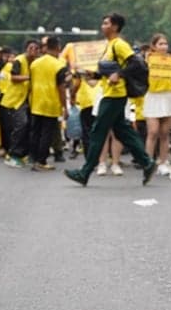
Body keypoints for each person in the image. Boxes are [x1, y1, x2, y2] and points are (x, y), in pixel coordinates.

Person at [63, 13, 156, 187]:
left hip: (114, 95)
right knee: (123, 131)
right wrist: (93, 74)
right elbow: (108, 70)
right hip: (110, 93)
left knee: (98, 131)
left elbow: (137, 64)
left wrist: (119, 74)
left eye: (106, 23)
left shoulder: (119, 44)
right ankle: (147, 163)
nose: (102, 26)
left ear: (115, 27)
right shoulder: (109, 45)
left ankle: (84, 172)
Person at [28, 36, 69, 171]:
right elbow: (61, 89)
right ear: (58, 47)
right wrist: (65, 107)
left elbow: (31, 83)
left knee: (35, 132)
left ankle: (33, 158)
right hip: (51, 103)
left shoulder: (35, 63)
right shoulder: (59, 65)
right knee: (47, 133)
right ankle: (42, 161)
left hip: (36, 102)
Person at [142, 34, 171, 176]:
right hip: (153, 96)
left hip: (168, 96)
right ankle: (148, 163)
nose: (164, 46)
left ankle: (163, 163)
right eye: (160, 44)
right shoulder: (148, 60)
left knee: (164, 133)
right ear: (153, 46)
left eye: (165, 44)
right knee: (153, 132)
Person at [1, 40, 40, 169]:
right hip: (15, 100)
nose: (33, 50)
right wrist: (29, 77)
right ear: (26, 49)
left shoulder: (36, 62)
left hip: (27, 99)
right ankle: (12, 154)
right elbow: (13, 77)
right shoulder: (19, 60)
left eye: (36, 48)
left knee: (29, 126)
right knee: (21, 124)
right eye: (31, 48)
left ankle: (23, 154)